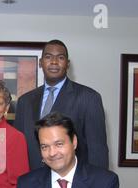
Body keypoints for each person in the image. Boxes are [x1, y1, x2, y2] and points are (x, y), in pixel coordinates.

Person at [14, 39, 109, 170]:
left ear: (67, 64)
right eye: (48, 57)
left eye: (60, 57)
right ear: (41, 63)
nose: (54, 62)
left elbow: (98, 152)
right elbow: (17, 150)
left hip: (73, 184)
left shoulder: (89, 98)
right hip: (33, 183)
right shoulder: (25, 101)